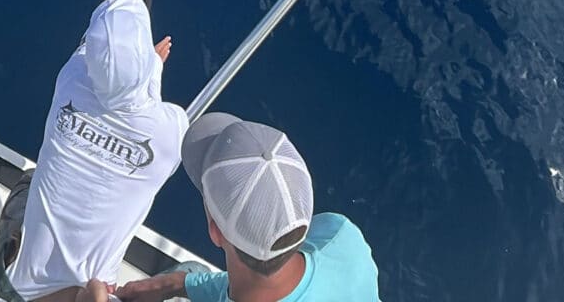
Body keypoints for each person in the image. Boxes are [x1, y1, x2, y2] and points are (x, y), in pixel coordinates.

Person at [6, 0, 188, 302]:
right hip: (72, 293)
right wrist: (152, 71)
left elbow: (96, 51)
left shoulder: (69, 80)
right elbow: (142, 106)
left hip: (24, 283)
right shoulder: (173, 130)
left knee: (27, 185)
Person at [115, 113, 381, 302]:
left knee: (194, 270)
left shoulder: (336, 232)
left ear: (216, 232)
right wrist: (173, 284)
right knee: (192, 273)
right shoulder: (339, 236)